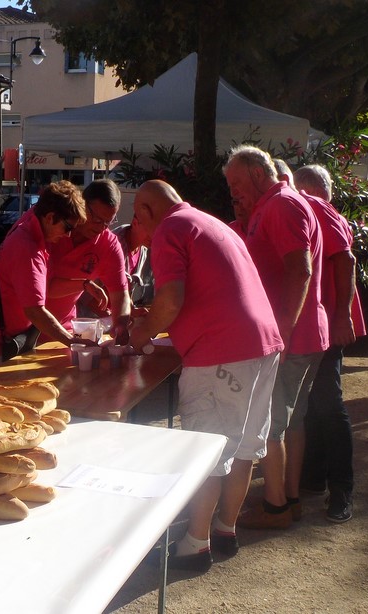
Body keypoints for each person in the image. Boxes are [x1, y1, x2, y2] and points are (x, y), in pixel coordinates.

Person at [127, 179, 283, 571]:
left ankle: (196, 543)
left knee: (206, 449)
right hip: (262, 345)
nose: (140, 234)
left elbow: (171, 298)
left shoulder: (169, 228)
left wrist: (139, 335)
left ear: (147, 211)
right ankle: (225, 527)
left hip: (221, 353)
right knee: (245, 444)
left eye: (137, 220)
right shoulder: (207, 222)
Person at [223, 146, 328, 531]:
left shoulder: (281, 205)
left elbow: (299, 270)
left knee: (271, 425)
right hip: (304, 334)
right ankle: (289, 497)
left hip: (291, 337)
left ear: (255, 172)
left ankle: (276, 506)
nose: (233, 191)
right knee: (291, 421)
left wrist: (281, 333)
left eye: (236, 182)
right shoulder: (280, 203)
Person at [0, 181, 89, 379]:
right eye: (67, 228)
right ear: (50, 218)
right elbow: (35, 311)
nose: (68, 236)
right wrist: (73, 341)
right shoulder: (27, 248)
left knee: (3, 402)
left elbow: (52, 197)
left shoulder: (34, 220)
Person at [293, 165, 368, 523]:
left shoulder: (313, 205)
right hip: (321, 321)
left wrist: (341, 316)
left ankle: (341, 488)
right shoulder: (324, 209)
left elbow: (346, 259)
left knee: (326, 402)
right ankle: (316, 477)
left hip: (323, 322)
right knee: (316, 402)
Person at [45, 179, 132, 341]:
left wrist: (121, 323)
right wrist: (84, 284)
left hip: (64, 329)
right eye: (97, 219)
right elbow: (45, 288)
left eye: (108, 222)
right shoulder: (54, 228)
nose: (101, 228)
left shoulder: (109, 244)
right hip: (24, 326)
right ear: (82, 203)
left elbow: (120, 293)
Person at [112, 214, 154, 310]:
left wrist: (132, 311)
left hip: (116, 312)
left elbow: (126, 290)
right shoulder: (114, 244)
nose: (153, 235)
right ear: (135, 223)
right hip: (90, 317)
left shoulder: (142, 250)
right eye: (150, 230)